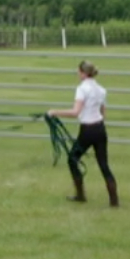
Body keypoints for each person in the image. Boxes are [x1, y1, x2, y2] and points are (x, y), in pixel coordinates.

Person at [47, 60, 119, 207]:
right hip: (100, 129)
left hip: (87, 129)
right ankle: (114, 201)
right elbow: (103, 113)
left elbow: (75, 112)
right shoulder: (101, 90)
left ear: (83, 73)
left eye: (78, 71)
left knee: (72, 158)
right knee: (104, 165)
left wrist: (54, 112)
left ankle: (80, 195)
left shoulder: (82, 89)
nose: (77, 74)